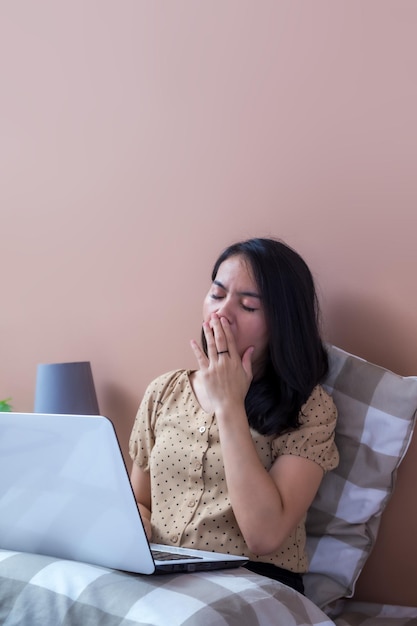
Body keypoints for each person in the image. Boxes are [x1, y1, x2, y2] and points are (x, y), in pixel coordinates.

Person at [129, 237, 338, 594]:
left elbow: (264, 535)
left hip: (254, 583)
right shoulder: (163, 391)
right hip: (161, 577)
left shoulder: (309, 408)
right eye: (217, 294)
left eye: (248, 306)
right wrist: (139, 526)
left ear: (281, 322)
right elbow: (141, 501)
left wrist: (229, 407)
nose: (221, 312)